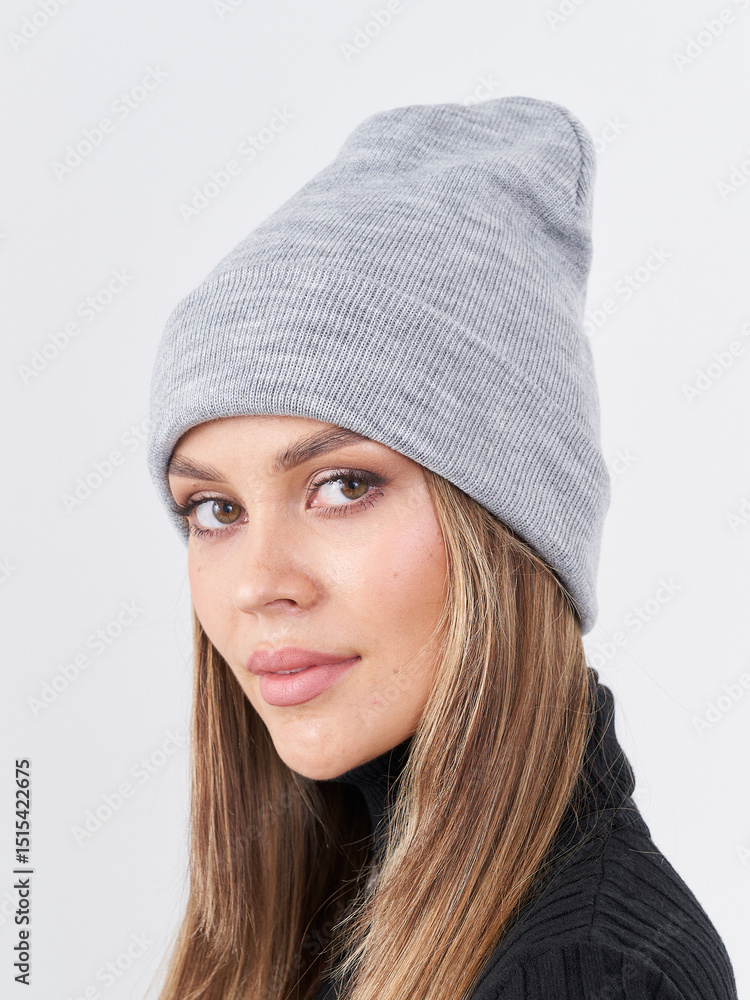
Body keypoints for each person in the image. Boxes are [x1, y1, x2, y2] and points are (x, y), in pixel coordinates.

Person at [145, 97, 738, 1000]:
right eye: (216, 508)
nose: (259, 584)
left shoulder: (585, 978)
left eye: (344, 485)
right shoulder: (333, 906)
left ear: (507, 528)